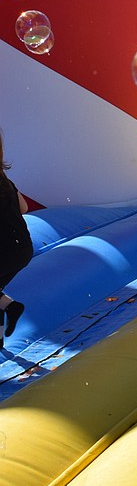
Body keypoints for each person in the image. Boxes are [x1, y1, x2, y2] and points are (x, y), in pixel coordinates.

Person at [0, 130, 32, 347]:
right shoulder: (4, 179)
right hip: (24, 248)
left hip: (6, 251)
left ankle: (11, 306)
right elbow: (24, 207)